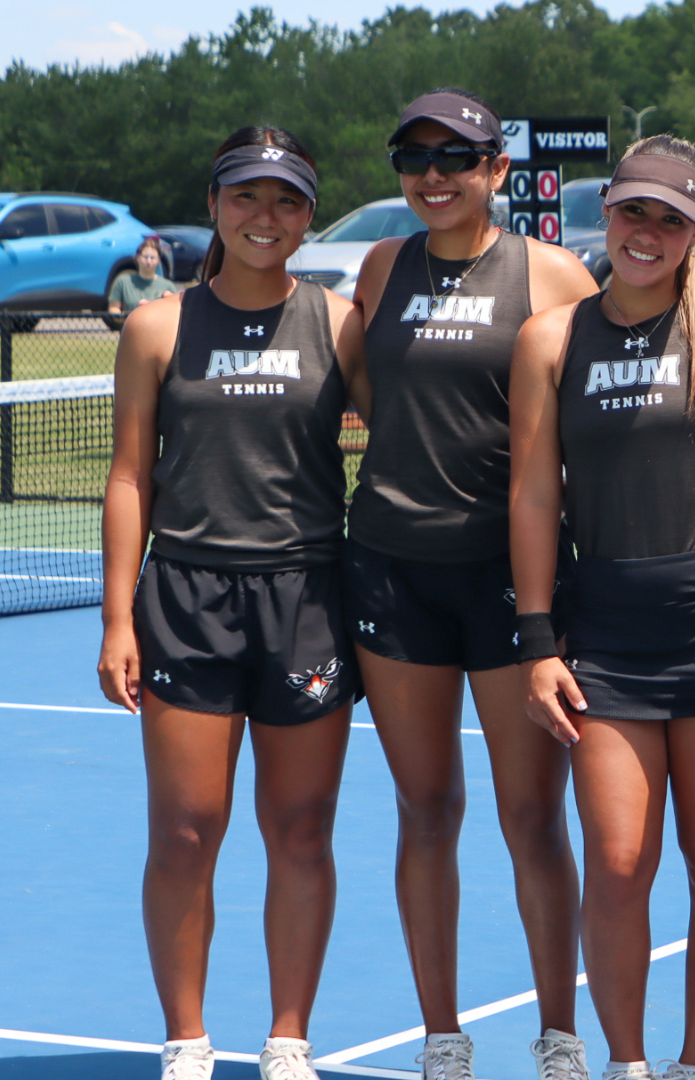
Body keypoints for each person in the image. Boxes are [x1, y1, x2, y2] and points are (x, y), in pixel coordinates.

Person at [96, 128, 364, 1080]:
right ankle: (187, 1040)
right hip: (185, 599)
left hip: (306, 601)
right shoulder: (157, 328)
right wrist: (117, 617)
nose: (266, 216)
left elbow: (430, 412)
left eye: (287, 200)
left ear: (306, 216)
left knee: (299, 829)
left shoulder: (340, 323)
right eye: (247, 197)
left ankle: (288, 1038)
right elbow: (131, 478)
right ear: (213, 205)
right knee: (182, 829)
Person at [344, 88, 600, 1080]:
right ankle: (443, 1038)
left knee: (532, 815)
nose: (434, 178)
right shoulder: (380, 267)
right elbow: (370, 392)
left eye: (457, 159)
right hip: (394, 571)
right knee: (425, 810)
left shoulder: (550, 271)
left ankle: (559, 1036)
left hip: (513, 579)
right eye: (415, 161)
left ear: (499, 170)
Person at [510, 135, 695, 1080]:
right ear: (607, 214)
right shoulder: (552, 339)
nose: (648, 233)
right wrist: (538, 640)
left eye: (671, 218)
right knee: (619, 862)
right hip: (606, 630)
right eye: (634, 212)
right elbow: (535, 496)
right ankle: (626, 1061)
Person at [109, 236, 178, 316]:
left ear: (159, 260)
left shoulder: (168, 286)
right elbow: (113, 308)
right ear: (137, 257)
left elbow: (174, 312)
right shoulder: (123, 282)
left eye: (152, 258)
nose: (148, 261)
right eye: (145, 257)